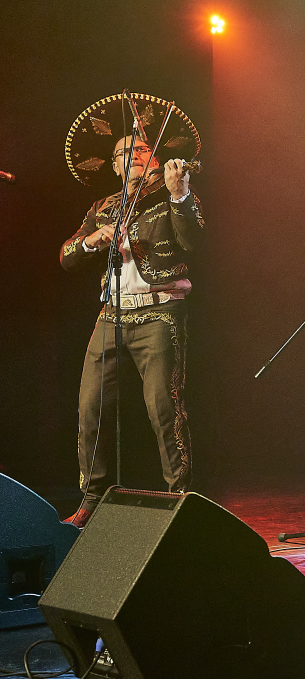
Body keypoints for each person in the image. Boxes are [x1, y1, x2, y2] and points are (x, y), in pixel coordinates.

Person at [60, 94, 204, 528]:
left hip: (160, 313)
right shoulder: (103, 206)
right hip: (112, 316)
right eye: (130, 152)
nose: (139, 156)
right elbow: (67, 255)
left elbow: (194, 242)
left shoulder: (172, 193)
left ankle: (181, 498)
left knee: (164, 406)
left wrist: (180, 196)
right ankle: (92, 498)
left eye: (145, 150)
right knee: (90, 407)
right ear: (116, 164)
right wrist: (93, 240)